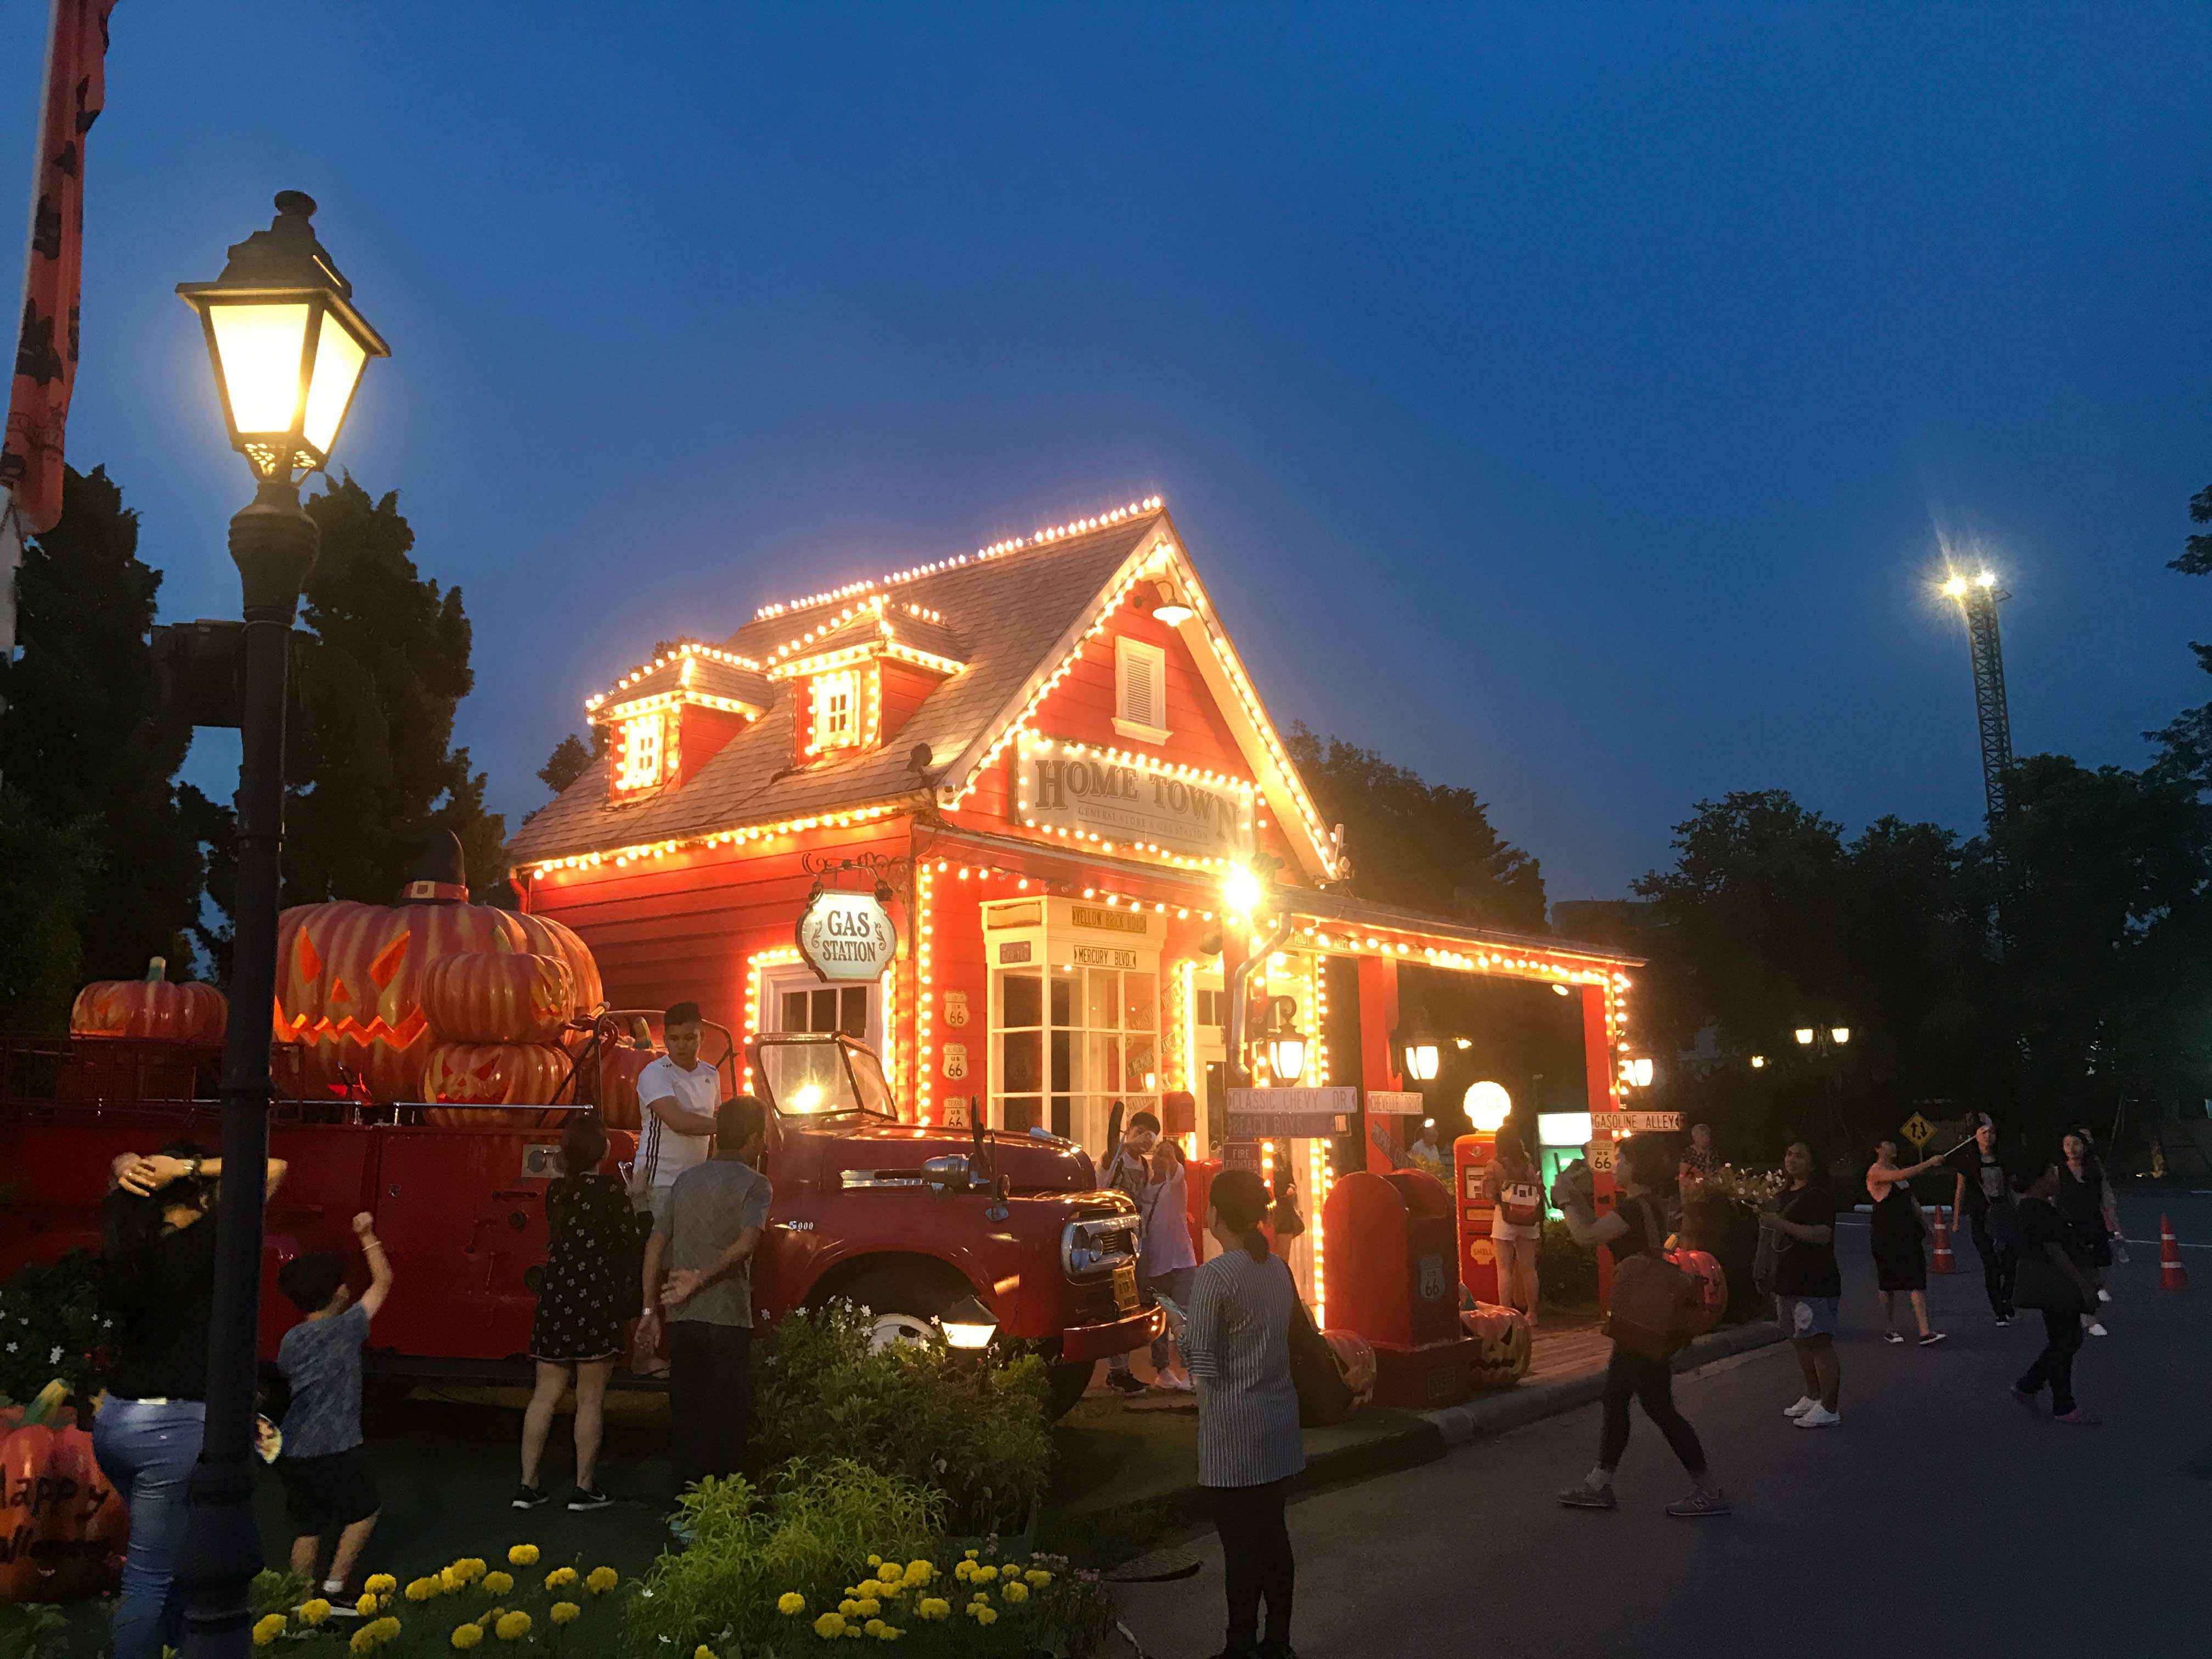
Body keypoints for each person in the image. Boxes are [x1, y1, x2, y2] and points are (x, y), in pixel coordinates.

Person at [94, 1143, 288, 1659]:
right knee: (151, 1578)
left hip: (116, 1421)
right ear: (200, 1196)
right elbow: (272, 1168)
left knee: (175, 1556)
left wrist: (128, 1166)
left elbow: (122, 1181)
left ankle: (180, 1645)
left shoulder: (129, 1244)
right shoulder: (209, 1242)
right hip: (172, 1425)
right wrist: (185, 1167)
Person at [1554, 1136, 1728, 1517]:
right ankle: (1600, 1482)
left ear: (1636, 1167)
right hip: (1647, 1314)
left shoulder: (1636, 1208)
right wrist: (1573, 1198)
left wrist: (1565, 1200)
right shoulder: (1648, 1205)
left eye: (1621, 1160)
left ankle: (1708, 1490)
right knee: (1625, 1398)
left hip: (1642, 1317)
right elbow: (1599, 1228)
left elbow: (1586, 1236)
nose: (1615, 1166)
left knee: (1653, 1405)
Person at [1183, 1167, 1304, 1659]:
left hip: (1233, 1435)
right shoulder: (1277, 1269)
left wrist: (1181, 1330)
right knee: (1274, 1537)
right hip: (1278, 1424)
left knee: (1240, 1548)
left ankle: (1239, 1646)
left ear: (1217, 1214)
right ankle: (1278, 1642)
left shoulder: (1214, 1276)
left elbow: (1203, 1363)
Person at [645, 1094, 771, 1493]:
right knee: (725, 1420)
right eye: (763, 1136)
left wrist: (649, 1310)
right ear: (753, 1139)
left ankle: (682, 1504)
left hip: (681, 1317)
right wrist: (700, 1278)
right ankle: (720, 1507)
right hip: (728, 1317)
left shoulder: (685, 1180)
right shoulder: (756, 1184)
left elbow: (655, 1244)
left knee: (687, 1415)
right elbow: (747, 1243)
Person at [274, 1214, 394, 1602]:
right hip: (338, 1445)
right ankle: (336, 1587)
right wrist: (367, 1234)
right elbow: (383, 1281)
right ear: (337, 1294)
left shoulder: (291, 1339)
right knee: (365, 1511)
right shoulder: (347, 1327)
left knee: (307, 1527)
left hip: (294, 1447)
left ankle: (296, 1599)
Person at [517, 1114, 635, 1510]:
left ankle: (528, 1485)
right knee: (590, 1400)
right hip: (595, 1299)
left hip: (556, 1298)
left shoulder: (557, 1192)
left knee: (544, 1396)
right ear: (604, 1150)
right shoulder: (612, 1192)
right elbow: (628, 1242)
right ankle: (584, 1488)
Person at [1102, 1109, 1199, 1395]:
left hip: (1171, 1261)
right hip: (1135, 1257)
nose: (1157, 1155)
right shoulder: (1127, 1169)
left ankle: (1190, 1372)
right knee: (1145, 1317)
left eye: (1163, 1152)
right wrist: (1124, 1144)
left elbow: (1177, 1174)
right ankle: (1141, 1371)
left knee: (1178, 1318)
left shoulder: (1170, 1182)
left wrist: (1171, 1159)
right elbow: (1106, 1171)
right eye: (1157, 1151)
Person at [2011, 1163, 2102, 1424]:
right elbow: (2055, 1250)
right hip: (2054, 1283)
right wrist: (2082, 1284)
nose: (2056, 1179)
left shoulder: (2038, 1207)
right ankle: (2062, 1404)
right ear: (2039, 1180)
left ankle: (2031, 1385)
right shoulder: (2036, 1209)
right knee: (2066, 1340)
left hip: (2051, 1283)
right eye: (2051, 1174)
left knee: (2064, 1340)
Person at [1765, 1141, 1843, 1427]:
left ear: (1813, 1163)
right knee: (1798, 1339)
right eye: (1789, 1154)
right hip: (1788, 1280)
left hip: (1814, 1280)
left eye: (1799, 1156)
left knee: (1818, 1341)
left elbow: (1822, 1235)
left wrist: (1781, 1225)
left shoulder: (1818, 1196)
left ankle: (1829, 1407)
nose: (1792, 1160)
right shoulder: (1783, 1194)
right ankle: (1813, 1395)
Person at [633, 1001, 722, 1209]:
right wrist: (733, 1125)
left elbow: (714, 1122)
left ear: (702, 1037)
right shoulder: (655, 1073)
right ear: (665, 1040)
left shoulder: (711, 1074)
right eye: (674, 1039)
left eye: (689, 1038)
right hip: (659, 1181)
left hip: (697, 1181)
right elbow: (679, 1122)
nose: (682, 1045)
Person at [1866, 1138, 1947, 1346]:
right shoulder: (1875, 1172)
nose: (1893, 1147)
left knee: (1916, 1279)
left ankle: (1925, 1331)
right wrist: (1930, 1163)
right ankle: (1890, 1329)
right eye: (1888, 1144)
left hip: (1908, 1232)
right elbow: (1901, 1176)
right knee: (1888, 1283)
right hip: (1886, 1234)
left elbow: (1912, 1202)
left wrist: (1928, 1227)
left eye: (1894, 1144)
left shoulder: (1897, 1170)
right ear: (1878, 1148)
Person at [1948, 1115, 2016, 1325]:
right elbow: (1960, 1190)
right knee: (1991, 1264)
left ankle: (2007, 1297)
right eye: (1983, 1132)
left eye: (1991, 1132)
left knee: (2010, 1262)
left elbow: (2012, 1189)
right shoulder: (1969, 1162)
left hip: (2004, 1213)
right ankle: (1999, 1310)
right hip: (1981, 1216)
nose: (1988, 1136)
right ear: (1975, 1136)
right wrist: (1956, 1219)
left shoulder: (2004, 1159)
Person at [2057, 1130, 2120, 1338]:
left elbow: (2107, 1198)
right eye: (2067, 1144)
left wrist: (2114, 1225)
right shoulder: (2058, 1172)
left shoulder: (2094, 1170)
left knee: (2093, 1270)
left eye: (2076, 1144)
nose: (2072, 1149)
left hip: (2093, 1225)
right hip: (2069, 1229)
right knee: (2081, 1273)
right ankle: (2090, 1318)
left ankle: (2088, 1306)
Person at [1482, 1135, 1544, 1321]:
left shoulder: (1493, 1165)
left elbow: (1488, 1194)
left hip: (1505, 1218)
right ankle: (1532, 1313)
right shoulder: (1527, 1165)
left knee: (1504, 1269)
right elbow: (1536, 1189)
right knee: (1529, 1268)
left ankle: (1506, 1314)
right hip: (1528, 1218)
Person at [1678, 1122, 1719, 1194]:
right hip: (1694, 1193)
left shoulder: (1712, 1153)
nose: (1705, 1139)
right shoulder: (1688, 1154)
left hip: (1710, 1192)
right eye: (1702, 1136)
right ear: (1695, 1138)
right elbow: (1682, 1177)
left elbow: (1717, 1172)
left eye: (1707, 1136)